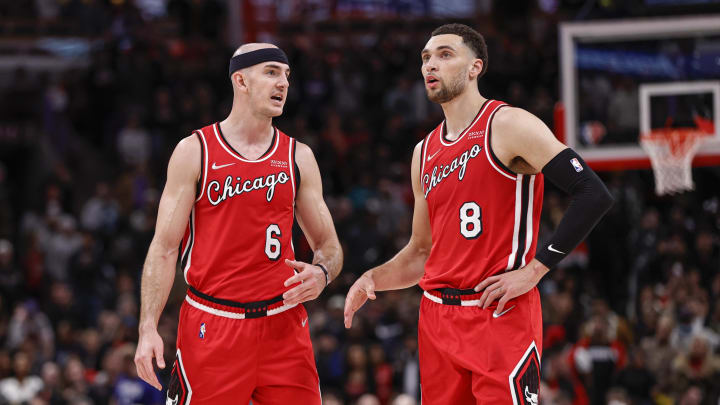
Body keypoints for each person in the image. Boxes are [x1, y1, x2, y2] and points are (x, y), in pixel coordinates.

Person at [344, 23, 613, 404]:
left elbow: (592, 193)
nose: (430, 65)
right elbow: (422, 253)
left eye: (444, 54)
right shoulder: (424, 152)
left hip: (499, 313)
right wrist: (371, 278)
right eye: (425, 58)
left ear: (475, 67)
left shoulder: (508, 124)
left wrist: (536, 270)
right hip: (437, 319)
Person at [134, 43, 342, 404]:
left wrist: (322, 274)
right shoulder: (195, 150)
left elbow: (330, 247)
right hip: (214, 325)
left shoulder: (299, 156)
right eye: (272, 72)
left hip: (284, 325)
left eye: (287, 76)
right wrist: (147, 326)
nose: (284, 84)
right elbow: (164, 248)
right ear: (241, 80)